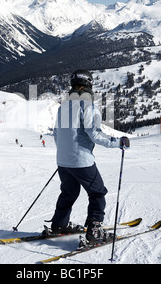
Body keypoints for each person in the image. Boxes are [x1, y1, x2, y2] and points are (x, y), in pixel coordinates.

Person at [47, 70, 130, 246]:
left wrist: (65, 153)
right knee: (97, 192)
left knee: (69, 192)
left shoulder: (63, 107)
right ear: (89, 85)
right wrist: (118, 142)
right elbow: (95, 134)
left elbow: (56, 134)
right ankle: (94, 232)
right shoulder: (88, 107)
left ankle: (58, 225)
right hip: (81, 161)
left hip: (63, 160)